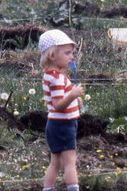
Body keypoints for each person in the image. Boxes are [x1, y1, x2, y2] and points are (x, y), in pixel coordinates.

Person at [39, 29, 84, 191]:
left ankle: (48, 188)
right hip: (64, 125)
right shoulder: (57, 78)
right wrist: (73, 95)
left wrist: (74, 100)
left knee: (55, 161)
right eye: (67, 53)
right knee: (70, 162)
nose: (71, 57)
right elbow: (58, 105)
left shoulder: (50, 75)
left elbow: (56, 102)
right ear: (52, 55)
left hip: (55, 124)